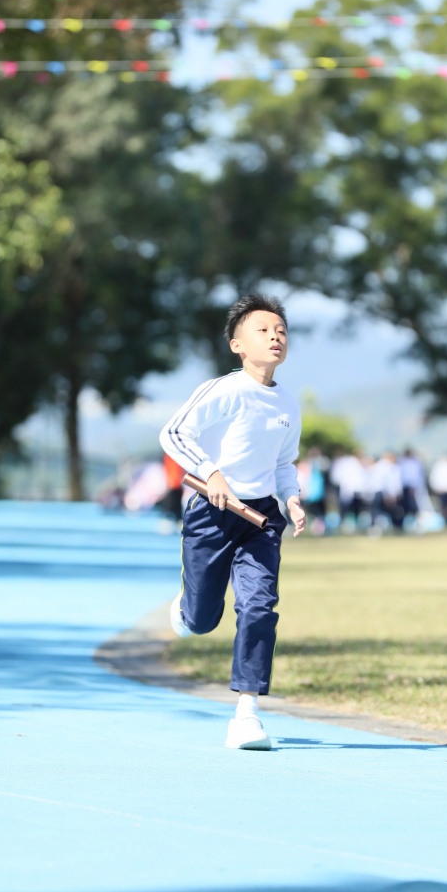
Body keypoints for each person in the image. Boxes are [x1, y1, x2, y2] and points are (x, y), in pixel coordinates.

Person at [159, 292, 306, 751]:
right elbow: (173, 433)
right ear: (237, 345)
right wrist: (212, 474)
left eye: (281, 330)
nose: (275, 337)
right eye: (263, 330)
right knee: (202, 620)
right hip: (212, 512)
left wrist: (292, 498)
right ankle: (188, 607)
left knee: (259, 606)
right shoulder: (224, 390)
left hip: (260, 519)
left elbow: (283, 463)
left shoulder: (288, 404)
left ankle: (247, 714)